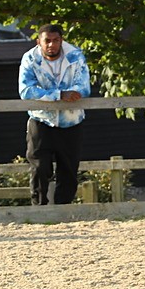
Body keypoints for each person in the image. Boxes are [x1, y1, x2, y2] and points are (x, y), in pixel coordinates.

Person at [18, 24, 91, 205]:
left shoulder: (75, 56)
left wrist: (70, 94)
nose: (51, 45)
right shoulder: (30, 59)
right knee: (39, 167)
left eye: (55, 40)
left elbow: (83, 87)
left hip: (71, 121)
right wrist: (59, 96)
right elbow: (26, 90)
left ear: (61, 40)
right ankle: (40, 210)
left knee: (69, 169)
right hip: (41, 119)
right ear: (39, 42)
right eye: (47, 41)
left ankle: (63, 211)